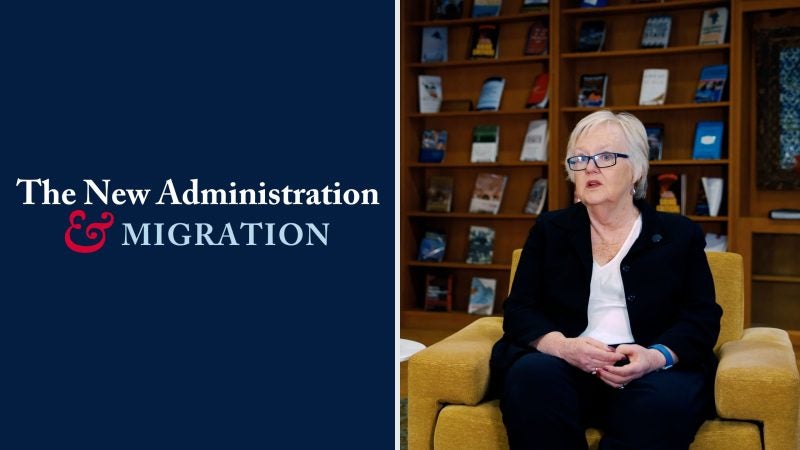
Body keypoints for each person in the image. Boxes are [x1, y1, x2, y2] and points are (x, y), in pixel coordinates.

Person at [490, 110, 722, 450]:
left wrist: (656, 356)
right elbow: (520, 309)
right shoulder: (550, 230)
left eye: (606, 157)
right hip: (565, 363)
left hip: (650, 367)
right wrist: (563, 347)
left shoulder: (678, 234)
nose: (590, 167)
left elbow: (701, 317)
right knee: (531, 378)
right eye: (580, 159)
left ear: (638, 169)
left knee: (663, 403)